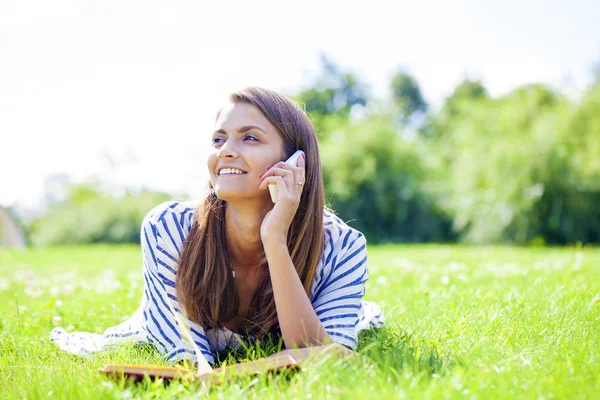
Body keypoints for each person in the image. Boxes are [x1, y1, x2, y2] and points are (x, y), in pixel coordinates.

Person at [51, 86, 384, 365]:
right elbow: (186, 353)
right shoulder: (169, 228)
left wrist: (275, 239)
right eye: (218, 140)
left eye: (250, 138)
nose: (225, 152)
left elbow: (323, 355)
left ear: (295, 162)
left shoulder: (343, 245)